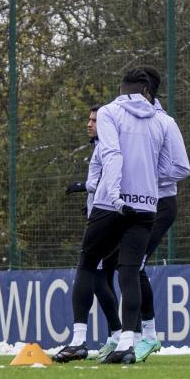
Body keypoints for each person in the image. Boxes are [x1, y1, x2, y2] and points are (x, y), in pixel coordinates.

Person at [55, 68, 167, 365]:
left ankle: (80, 340)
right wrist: (148, 183)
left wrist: (115, 194)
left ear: (122, 88)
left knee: (88, 265)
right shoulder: (162, 120)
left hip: (111, 204)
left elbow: (112, 155)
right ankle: (127, 342)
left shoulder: (111, 112)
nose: (90, 123)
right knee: (129, 271)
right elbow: (178, 167)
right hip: (146, 206)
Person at [133, 66, 190, 363]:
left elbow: (182, 168)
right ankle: (122, 336)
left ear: (145, 92)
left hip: (161, 204)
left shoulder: (165, 122)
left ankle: (148, 335)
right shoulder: (126, 120)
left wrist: (146, 177)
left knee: (134, 265)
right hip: (133, 204)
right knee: (122, 265)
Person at [64, 105, 124, 359]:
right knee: (102, 280)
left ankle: (103, 337)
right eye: (88, 119)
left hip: (105, 217)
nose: (89, 124)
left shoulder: (106, 148)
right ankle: (117, 335)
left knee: (93, 276)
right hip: (104, 215)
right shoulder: (104, 147)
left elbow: (101, 181)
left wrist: (83, 186)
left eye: (94, 120)